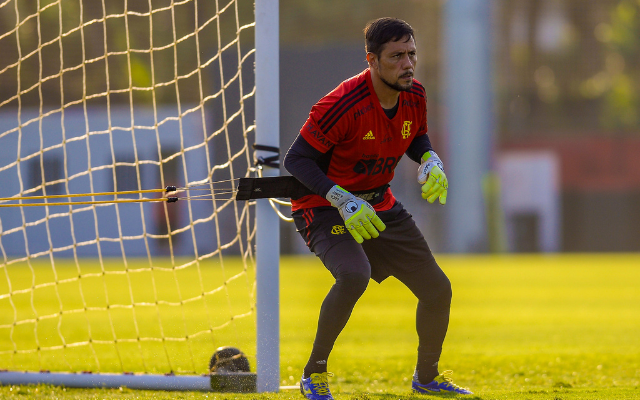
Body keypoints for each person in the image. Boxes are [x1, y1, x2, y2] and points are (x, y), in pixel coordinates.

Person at [283, 17, 472, 398]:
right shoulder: (340, 105)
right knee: (354, 276)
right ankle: (313, 375)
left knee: (438, 290)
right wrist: (342, 199)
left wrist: (429, 157)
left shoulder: (415, 94)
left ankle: (427, 379)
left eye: (412, 54)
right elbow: (296, 160)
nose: (408, 64)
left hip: (380, 203)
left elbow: (414, 134)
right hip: (323, 207)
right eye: (397, 56)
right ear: (372, 60)